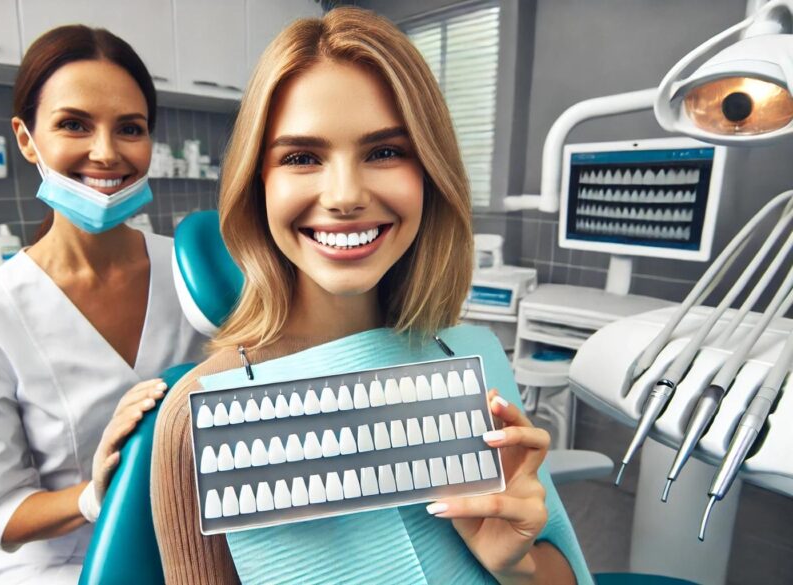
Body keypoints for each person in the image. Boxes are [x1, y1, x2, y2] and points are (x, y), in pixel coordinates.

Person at [150, 8, 582, 585]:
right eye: (301, 158)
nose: (346, 195)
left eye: (384, 152)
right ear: (259, 184)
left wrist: (516, 564)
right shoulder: (197, 416)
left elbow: (563, 574)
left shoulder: (467, 361)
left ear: (430, 173)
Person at [0, 25, 204, 584]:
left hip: (196, 538)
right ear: (27, 138)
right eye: (73, 124)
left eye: (130, 129)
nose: (106, 152)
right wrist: (92, 497)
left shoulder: (197, 273)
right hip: (65, 561)